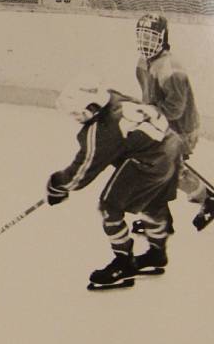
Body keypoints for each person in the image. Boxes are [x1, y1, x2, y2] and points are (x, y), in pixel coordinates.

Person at [46, 74, 183, 290]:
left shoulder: (101, 131)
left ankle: (124, 263)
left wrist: (57, 185)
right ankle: (157, 253)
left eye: (77, 112)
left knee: (109, 207)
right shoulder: (115, 97)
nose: (75, 117)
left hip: (148, 162)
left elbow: (83, 171)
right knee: (153, 201)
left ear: (92, 107)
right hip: (170, 145)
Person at [132, 13, 214, 233]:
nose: (145, 43)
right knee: (157, 169)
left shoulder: (171, 69)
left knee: (170, 171)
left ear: (163, 38)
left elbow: (175, 109)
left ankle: (207, 199)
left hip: (181, 129)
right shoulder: (143, 62)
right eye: (142, 37)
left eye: (151, 38)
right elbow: (149, 96)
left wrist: (149, 114)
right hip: (162, 125)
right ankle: (160, 218)